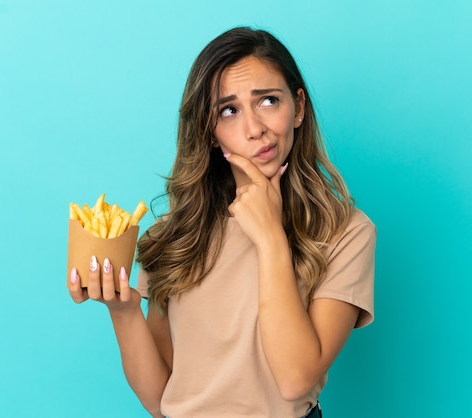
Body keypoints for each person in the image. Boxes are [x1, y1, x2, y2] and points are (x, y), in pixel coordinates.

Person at [68, 26, 376, 418]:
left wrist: (269, 237)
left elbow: (296, 381)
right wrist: (123, 310)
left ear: (298, 107)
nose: (254, 129)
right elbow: (161, 400)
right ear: (211, 133)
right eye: (228, 111)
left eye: (268, 101)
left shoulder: (346, 232)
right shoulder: (175, 236)